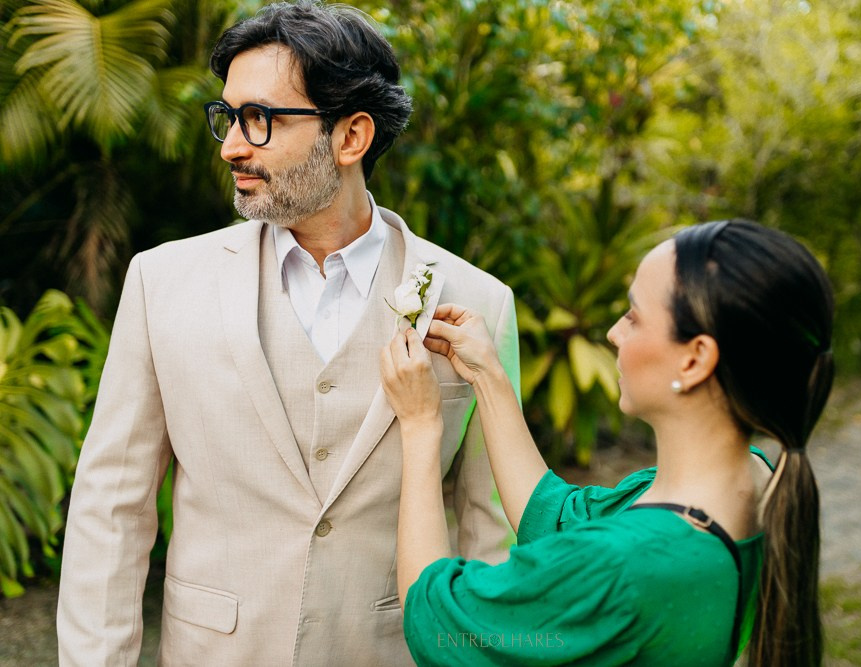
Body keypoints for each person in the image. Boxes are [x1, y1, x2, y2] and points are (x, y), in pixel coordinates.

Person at [56, 2, 518, 664]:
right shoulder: (161, 284)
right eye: (228, 116)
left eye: (260, 120)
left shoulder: (479, 304)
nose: (230, 145)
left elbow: (490, 536)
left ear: (351, 136)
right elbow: (112, 510)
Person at [381, 219, 833, 666]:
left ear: (695, 359)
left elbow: (439, 625)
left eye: (634, 316)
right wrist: (487, 374)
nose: (615, 332)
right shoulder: (751, 480)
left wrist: (421, 426)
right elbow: (558, 517)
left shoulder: (624, 565)